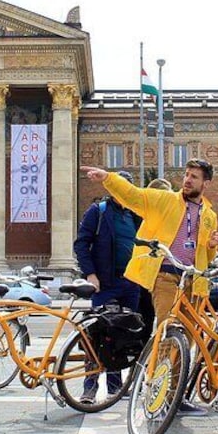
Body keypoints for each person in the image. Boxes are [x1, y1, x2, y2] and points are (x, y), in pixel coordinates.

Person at [80, 159, 218, 416]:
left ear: (206, 183)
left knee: (188, 341)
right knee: (169, 333)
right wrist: (107, 178)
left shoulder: (209, 216)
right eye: (186, 174)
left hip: (193, 282)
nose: (188, 180)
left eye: (194, 176)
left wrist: (212, 244)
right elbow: (133, 196)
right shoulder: (166, 200)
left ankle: (175, 396)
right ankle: (155, 392)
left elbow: (205, 254)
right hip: (166, 276)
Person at [73, 171, 142, 402]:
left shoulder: (135, 215)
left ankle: (115, 386)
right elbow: (81, 243)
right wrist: (90, 274)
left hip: (131, 284)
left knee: (122, 337)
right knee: (97, 335)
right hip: (106, 283)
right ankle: (90, 387)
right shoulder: (99, 212)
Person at [137, 177, 174, 342]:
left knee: (160, 321)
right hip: (143, 275)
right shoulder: (141, 214)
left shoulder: (166, 218)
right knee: (144, 322)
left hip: (157, 275)